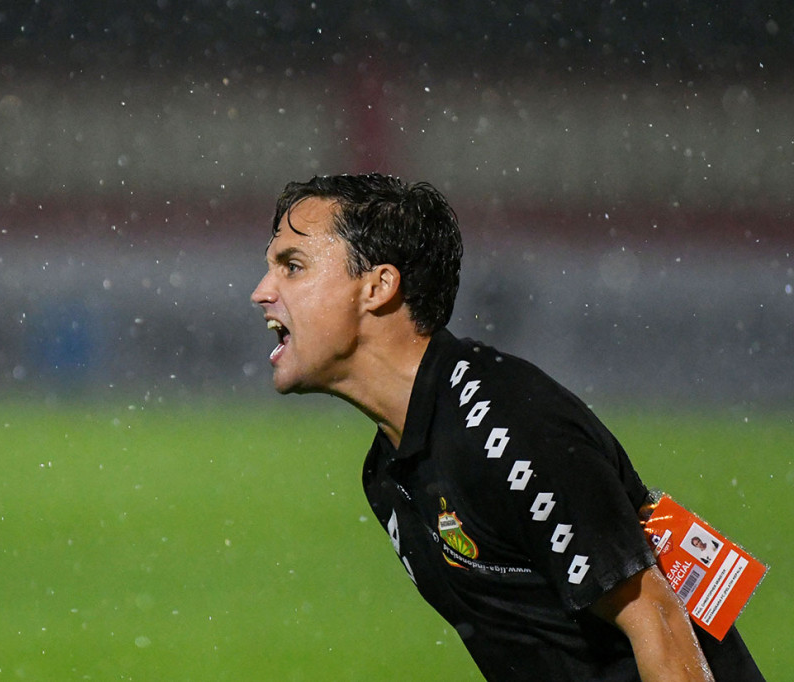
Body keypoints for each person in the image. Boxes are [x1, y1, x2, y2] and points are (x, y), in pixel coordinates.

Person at [250, 174, 763, 681]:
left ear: (378, 287)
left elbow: (660, 624)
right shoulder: (388, 472)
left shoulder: (510, 425)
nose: (261, 292)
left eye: (292, 267)